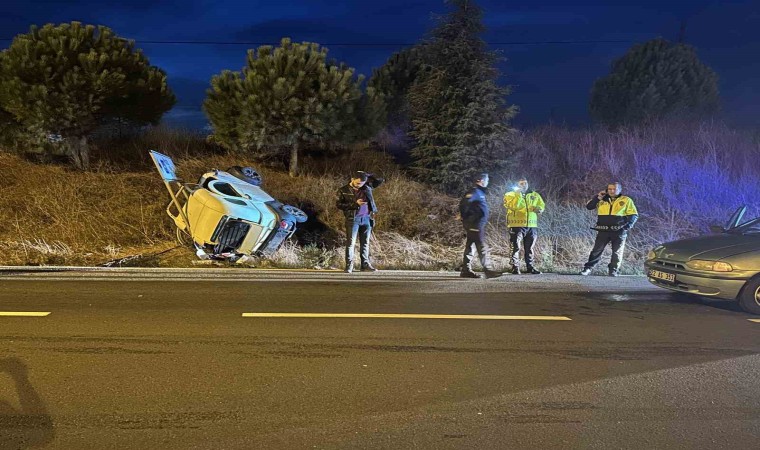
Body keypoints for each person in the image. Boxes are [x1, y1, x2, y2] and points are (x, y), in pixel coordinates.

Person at [580, 182, 639, 276]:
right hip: (603, 230)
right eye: (610, 189)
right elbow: (589, 207)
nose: (611, 191)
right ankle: (588, 269)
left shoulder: (626, 200)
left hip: (619, 231)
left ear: (619, 190)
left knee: (617, 252)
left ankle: (613, 270)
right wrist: (597, 197)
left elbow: (634, 215)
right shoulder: (601, 199)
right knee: (596, 250)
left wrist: (627, 227)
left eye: (614, 189)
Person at [336, 171, 384, 273]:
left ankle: (365, 265)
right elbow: (339, 205)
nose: (359, 185)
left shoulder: (366, 187)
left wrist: (369, 175)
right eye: (358, 183)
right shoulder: (343, 190)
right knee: (351, 243)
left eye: (362, 183)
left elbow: (380, 180)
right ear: (352, 179)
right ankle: (349, 266)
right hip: (353, 219)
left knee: (365, 243)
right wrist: (355, 204)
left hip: (367, 218)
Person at [459, 173, 503, 279]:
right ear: (482, 181)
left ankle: (466, 270)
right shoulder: (475, 192)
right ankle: (487, 270)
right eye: (487, 180)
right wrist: (465, 217)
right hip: (475, 224)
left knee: (470, 246)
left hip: (476, 223)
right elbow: (464, 203)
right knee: (481, 246)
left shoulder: (479, 192)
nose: (488, 182)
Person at [503, 178, 545, 274]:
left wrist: (540, 209)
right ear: (517, 185)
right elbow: (513, 206)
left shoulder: (534, 195)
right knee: (515, 247)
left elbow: (541, 205)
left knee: (530, 248)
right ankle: (515, 267)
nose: (524, 185)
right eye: (521, 183)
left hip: (532, 225)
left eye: (525, 183)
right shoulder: (510, 195)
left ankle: (530, 267)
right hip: (516, 225)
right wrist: (518, 194)